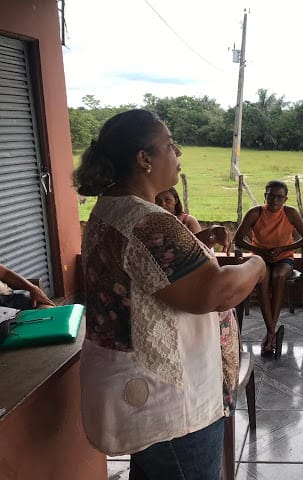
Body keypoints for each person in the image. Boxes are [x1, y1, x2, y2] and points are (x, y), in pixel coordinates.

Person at [73, 109, 266, 480]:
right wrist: (256, 265)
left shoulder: (110, 209)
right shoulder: (147, 220)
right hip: (173, 407)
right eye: (170, 145)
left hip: (141, 395)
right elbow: (215, 293)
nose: (178, 153)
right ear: (144, 159)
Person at [233, 180, 303, 359]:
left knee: (278, 276)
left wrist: (284, 248)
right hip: (260, 258)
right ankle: (271, 333)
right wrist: (260, 250)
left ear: (285, 199)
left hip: (284, 258)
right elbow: (238, 239)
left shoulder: (290, 213)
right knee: (263, 279)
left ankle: (269, 333)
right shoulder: (255, 213)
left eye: (279, 197)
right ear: (265, 196)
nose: (274, 200)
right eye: (270, 196)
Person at [156, 187, 231, 253]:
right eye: (158, 201)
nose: (163, 204)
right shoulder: (154, 222)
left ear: (176, 200)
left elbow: (200, 247)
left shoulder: (187, 220)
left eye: (167, 200)